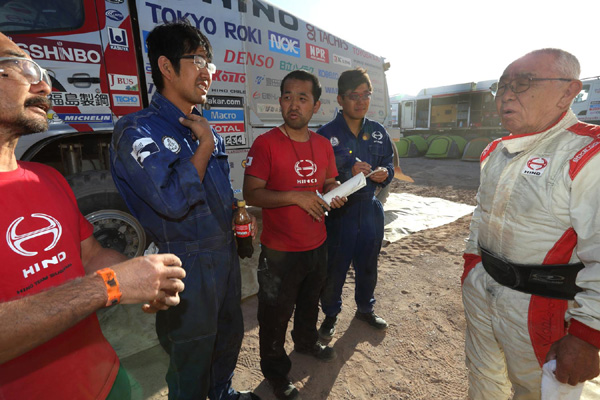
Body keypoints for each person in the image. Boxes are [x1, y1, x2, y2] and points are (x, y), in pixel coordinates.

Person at [0, 32, 186, 399]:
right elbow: (102, 281)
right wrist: (110, 285)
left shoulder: (47, 178)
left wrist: (142, 277)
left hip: (107, 377)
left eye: (44, 73)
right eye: (22, 67)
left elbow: (89, 255)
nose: (44, 86)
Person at [110, 21, 258, 400]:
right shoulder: (137, 131)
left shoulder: (201, 126)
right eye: (198, 60)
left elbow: (217, 193)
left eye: (210, 62)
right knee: (190, 353)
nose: (207, 71)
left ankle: (222, 393)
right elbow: (172, 200)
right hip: (184, 263)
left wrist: (237, 217)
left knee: (228, 336)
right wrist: (205, 145)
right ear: (166, 66)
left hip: (223, 254)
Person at [462, 48, 600, 399]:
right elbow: (482, 214)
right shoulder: (495, 151)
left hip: (544, 307)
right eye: (502, 85)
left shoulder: (588, 153)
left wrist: (588, 334)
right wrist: (471, 267)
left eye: (523, 83)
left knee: (535, 392)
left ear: (569, 92)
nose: (507, 94)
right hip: (484, 289)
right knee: (482, 378)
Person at [243, 70, 346, 400]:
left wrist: (335, 191)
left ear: (315, 106)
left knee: (309, 303)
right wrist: (294, 195)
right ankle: (275, 373)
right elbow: (253, 194)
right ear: (280, 102)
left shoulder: (322, 145)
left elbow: (329, 182)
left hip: (317, 245)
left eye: (302, 98)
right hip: (278, 252)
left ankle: (305, 342)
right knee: (273, 315)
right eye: (288, 96)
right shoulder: (266, 144)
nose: (293, 104)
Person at [316, 68, 393, 341]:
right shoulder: (324, 135)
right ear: (340, 99)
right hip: (340, 213)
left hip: (370, 209)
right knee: (335, 267)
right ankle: (330, 315)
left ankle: (365, 308)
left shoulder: (378, 131)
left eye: (366, 95)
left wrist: (386, 173)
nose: (361, 101)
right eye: (354, 96)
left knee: (368, 264)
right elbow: (317, 177)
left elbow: (389, 163)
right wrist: (349, 173)